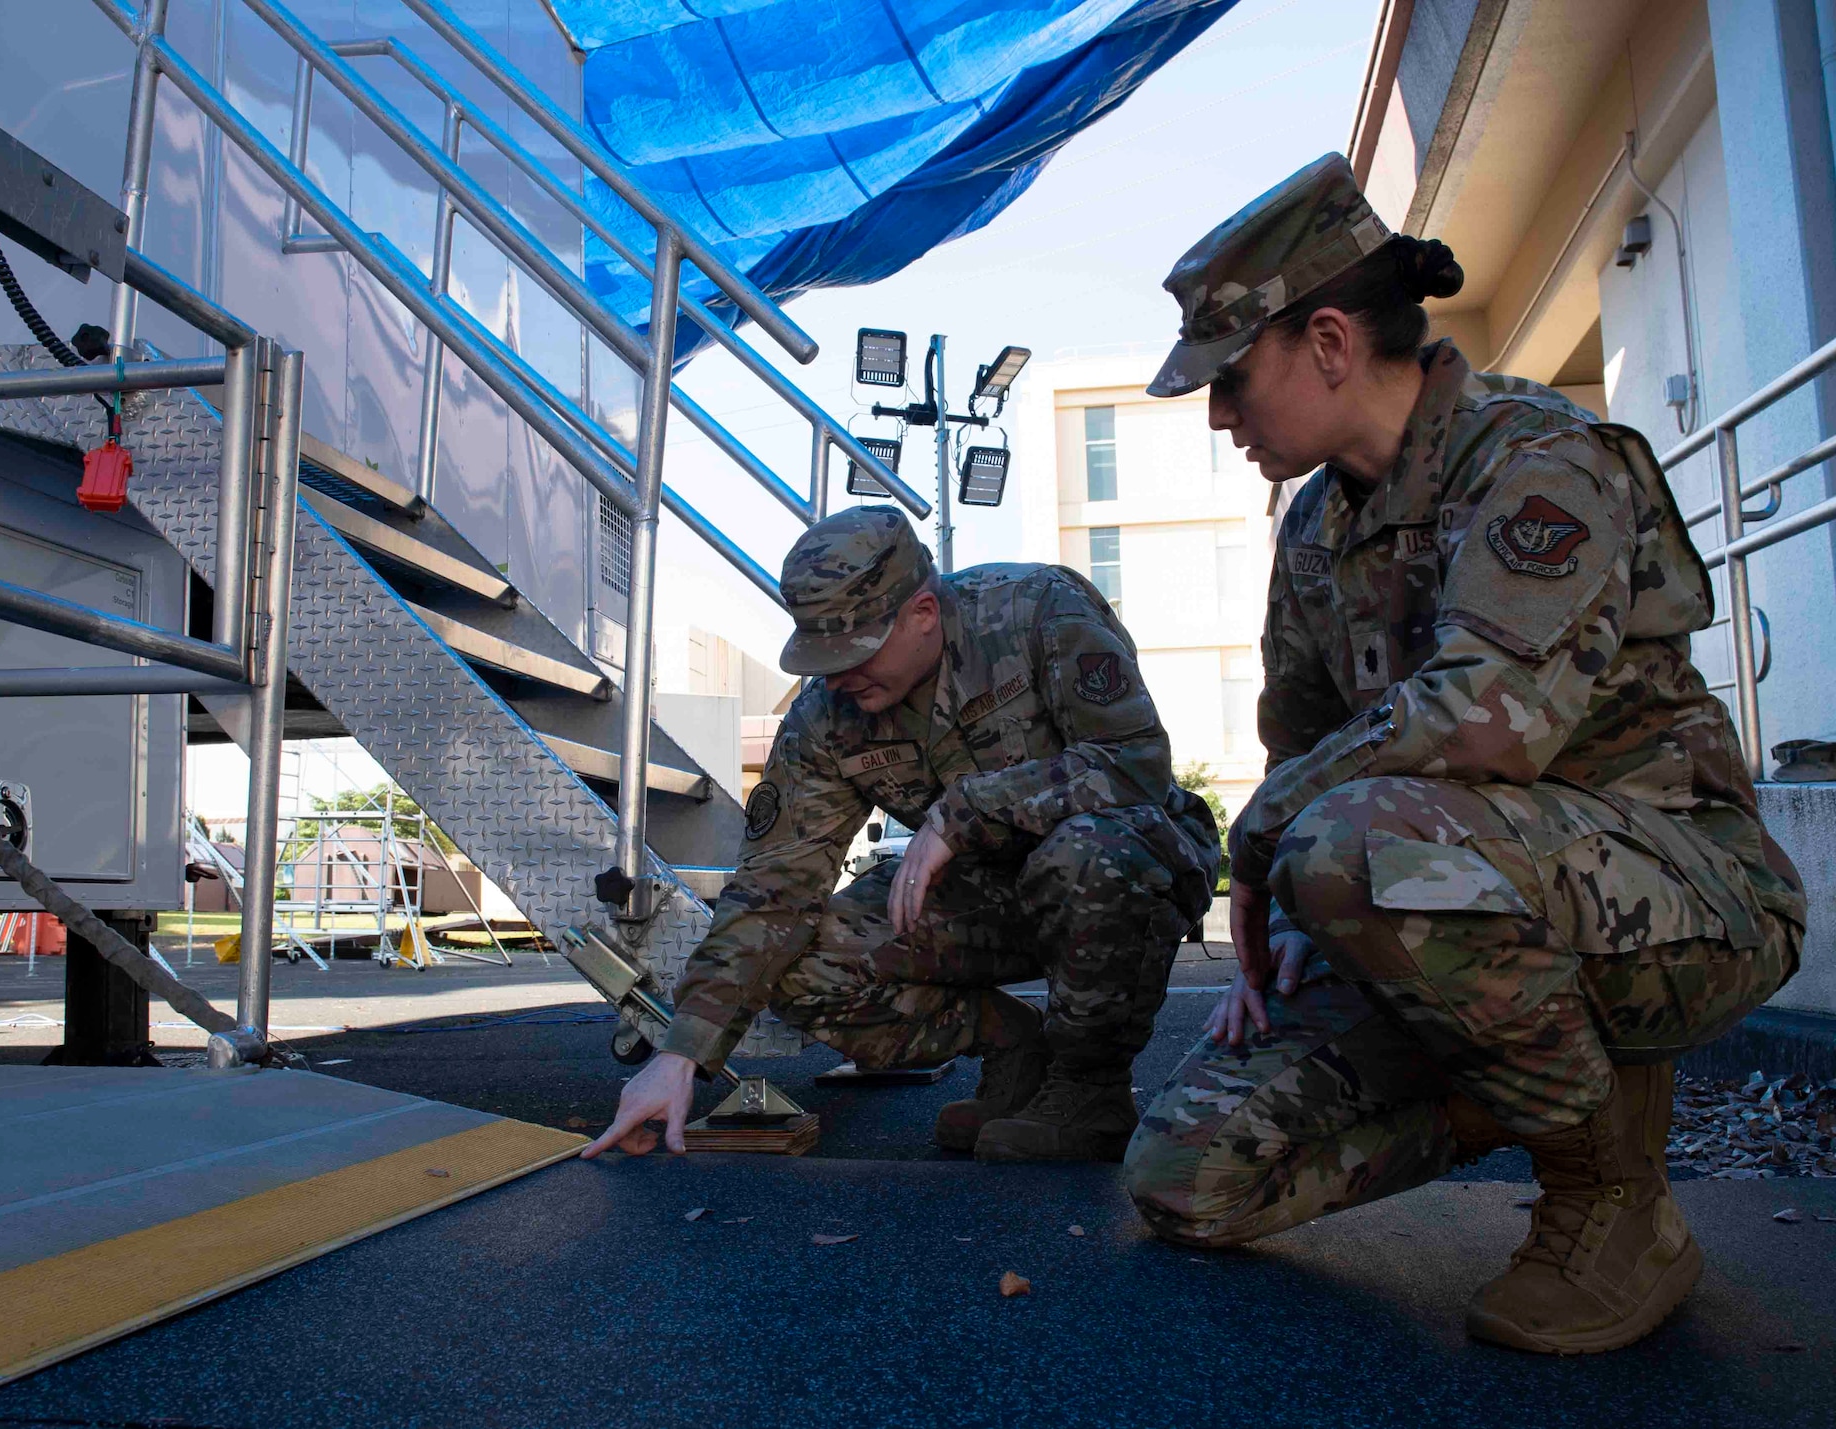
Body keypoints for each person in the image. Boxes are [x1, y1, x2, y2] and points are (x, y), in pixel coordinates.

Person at [1120, 153, 1804, 1355]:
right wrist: (1285, 927)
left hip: (1691, 898)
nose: (1218, 417)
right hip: (1448, 890)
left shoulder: (1540, 459)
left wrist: (1272, 839)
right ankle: (1508, 1079)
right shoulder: (1318, 525)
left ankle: (1608, 1196)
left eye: (1230, 380)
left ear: (1327, 342)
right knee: (1189, 1175)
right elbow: (1309, 744)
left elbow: (1483, 720)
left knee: (1349, 840)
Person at [583, 506, 1219, 1164]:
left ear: (923, 613)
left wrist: (966, 810)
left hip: (1123, 865)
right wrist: (682, 1051)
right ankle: (1014, 1045)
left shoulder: (1036, 612)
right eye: (821, 656)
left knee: (1091, 853)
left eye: (853, 651)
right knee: (800, 961)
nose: (836, 677)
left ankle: (1089, 1091)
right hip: (985, 893)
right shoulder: (826, 716)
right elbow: (774, 888)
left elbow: (1133, 764)